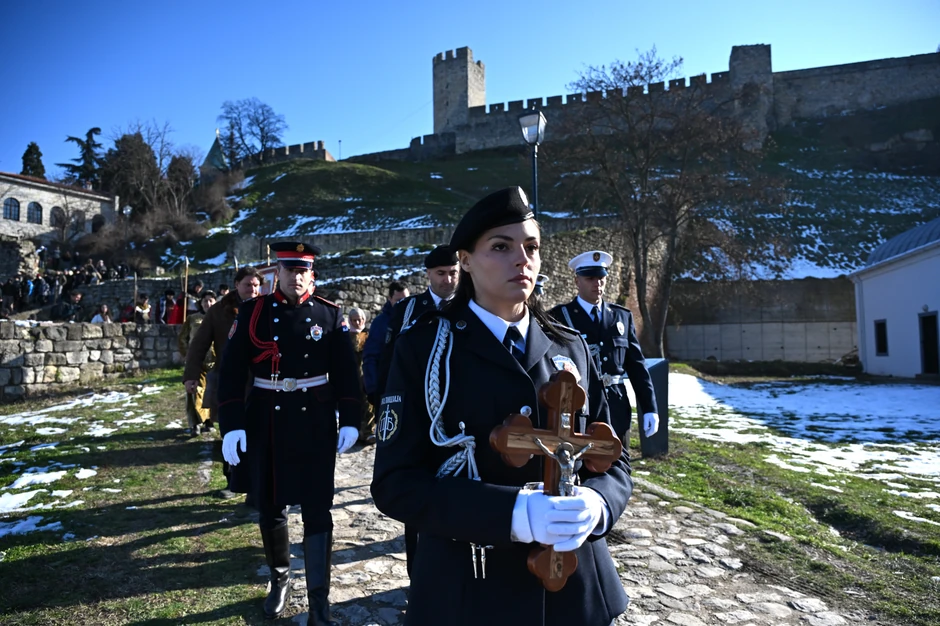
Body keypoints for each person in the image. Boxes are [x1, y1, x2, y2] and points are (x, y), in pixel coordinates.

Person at [371, 187, 633, 626]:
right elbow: (396, 483)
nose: (522, 259)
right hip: (471, 587)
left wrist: (599, 504)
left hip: (574, 589)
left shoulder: (570, 346)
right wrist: (513, 513)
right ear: (466, 261)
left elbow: (614, 456)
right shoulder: (423, 350)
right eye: (501, 246)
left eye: (531, 247)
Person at [218, 241, 363, 625]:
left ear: (311, 274)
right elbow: (229, 373)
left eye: (303, 271)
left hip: (314, 422)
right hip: (267, 420)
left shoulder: (330, 315)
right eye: (289, 270)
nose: (296, 277)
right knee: (272, 505)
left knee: (319, 510)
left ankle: (319, 600)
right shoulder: (253, 313)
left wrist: (351, 418)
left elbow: (348, 373)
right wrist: (231, 426)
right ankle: (279, 578)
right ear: (277, 273)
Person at [375, 245, 459, 575]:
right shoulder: (409, 309)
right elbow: (389, 359)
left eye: (453, 273)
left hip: (456, 416)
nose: (448, 280)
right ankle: (417, 574)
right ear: (428, 275)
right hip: (416, 414)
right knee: (416, 494)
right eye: (441, 274)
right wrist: (384, 403)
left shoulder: (472, 305)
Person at [548, 251, 659, 444]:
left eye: (601, 278)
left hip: (616, 406)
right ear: (577, 281)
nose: (597, 283)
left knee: (619, 465)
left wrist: (649, 407)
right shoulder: (559, 317)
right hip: (580, 407)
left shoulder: (621, 317)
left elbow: (637, 367)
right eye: (590, 278)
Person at [183, 266, 263, 498]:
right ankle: (233, 482)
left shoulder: (266, 308)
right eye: (248, 285)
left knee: (258, 435)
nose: (253, 289)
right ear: (236, 285)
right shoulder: (219, 311)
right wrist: (190, 376)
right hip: (230, 382)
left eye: (256, 285)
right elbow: (198, 345)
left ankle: (257, 486)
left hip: (261, 381)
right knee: (231, 432)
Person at [361, 280, 409, 410]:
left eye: (406, 300)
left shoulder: (416, 319)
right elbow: (370, 356)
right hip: (386, 388)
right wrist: (372, 388)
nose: (403, 305)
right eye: (398, 301)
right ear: (390, 299)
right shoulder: (381, 323)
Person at [179, 291, 217, 437]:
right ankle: (195, 423)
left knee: (211, 393)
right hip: (196, 362)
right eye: (205, 301)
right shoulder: (192, 319)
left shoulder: (219, 318)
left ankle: (209, 421)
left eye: (211, 301)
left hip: (214, 363)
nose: (208, 304)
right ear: (201, 303)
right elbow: (183, 338)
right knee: (194, 392)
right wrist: (188, 356)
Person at [346, 308, 373, 444]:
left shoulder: (370, 335)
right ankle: (355, 433)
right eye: (354, 320)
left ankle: (369, 433)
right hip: (351, 375)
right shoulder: (345, 337)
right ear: (350, 321)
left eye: (360, 319)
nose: (358, 322)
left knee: (368, 404)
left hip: (366, 374)